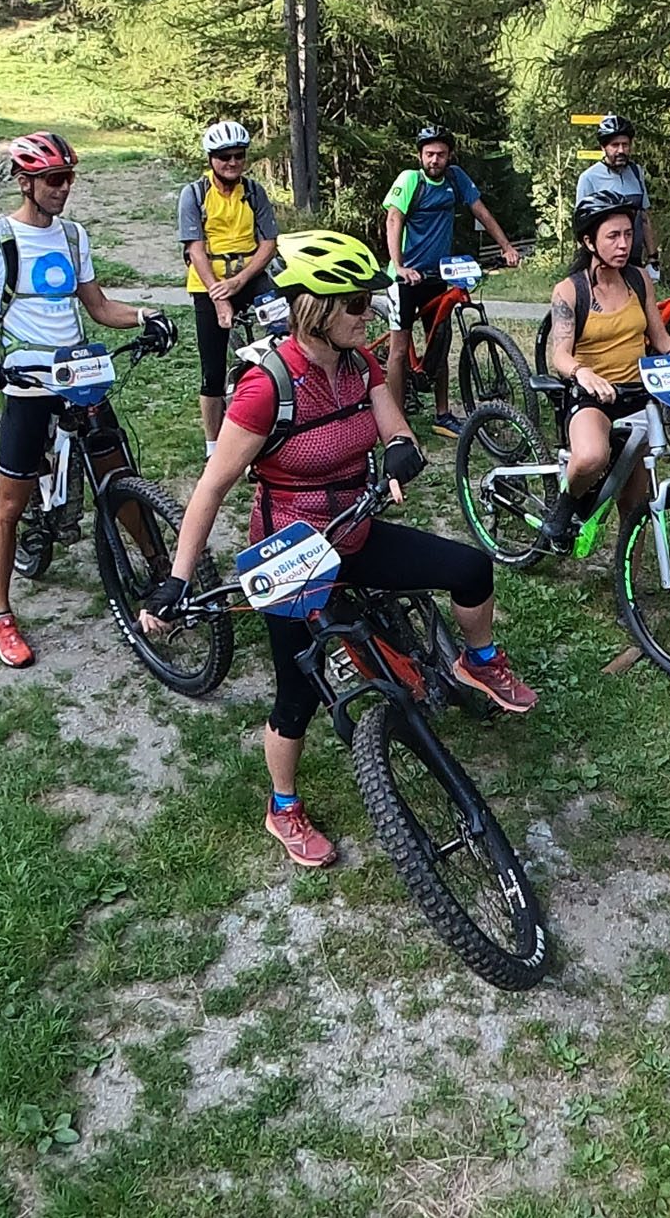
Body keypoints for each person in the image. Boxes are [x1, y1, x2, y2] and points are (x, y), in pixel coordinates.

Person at [137, 231, 538, 868]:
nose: (368, 312)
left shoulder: (360, 364)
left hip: (354, 528)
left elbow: (393, 423)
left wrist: (401, 447)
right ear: (315, 310)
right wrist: (179, 578)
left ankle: (478, 660)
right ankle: (283, 806)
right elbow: (211, 488)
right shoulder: (267, 389)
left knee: (470, 568)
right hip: (291, 553)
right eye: (354, 304)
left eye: (368, 300)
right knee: (296, 697)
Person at [0, 132, 178, 670]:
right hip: (27, 384)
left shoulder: (74, 237)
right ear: (24, 182)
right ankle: (1, 614)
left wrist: (144, 316)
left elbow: (98, 307)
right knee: (8, 506)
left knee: (119, 475)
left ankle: (159, 568)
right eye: (54, 179)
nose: (63, 188)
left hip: (80, 376)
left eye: (69, 177)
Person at [538, 191, 670, 547]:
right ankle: (565, 506)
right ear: (589, 241)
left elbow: (662, 340)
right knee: (592, 457)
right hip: (593, 397)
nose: (623, 244)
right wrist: (583, 373)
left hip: (639, 396)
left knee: (634, 506)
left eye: (629, 234)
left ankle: (629, 576)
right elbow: (560, 355)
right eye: (613, 236)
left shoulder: (638, 279)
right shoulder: (569, 290)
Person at [380, 124, 523, 436]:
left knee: (440, 344)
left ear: (449, 156)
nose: (435, 160)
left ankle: (442, 415)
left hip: (436, 276)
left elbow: (481, 212)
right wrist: (399, 267)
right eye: (429, 154)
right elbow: (393, 220)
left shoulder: (455, 178)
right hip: (405, 278)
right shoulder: (410, 180)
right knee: (399, 350)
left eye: (441, 154)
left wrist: (507, 247)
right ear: (420, 155)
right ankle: (396, 424)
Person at [179, 120, 281, 456]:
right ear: (211, 159)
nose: (232, 162)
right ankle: (214, 446)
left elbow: (268, 244)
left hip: (249, 276)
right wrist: (220, 296)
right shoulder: (194, 195)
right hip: (208, 281)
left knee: (284, 332)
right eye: (224, 157)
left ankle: (282, 407)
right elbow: (196, 251)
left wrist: (240, 280)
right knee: (212, 370)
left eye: (239, 155)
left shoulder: (253, 192)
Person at [573, 113, 656, 270]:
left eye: (625, 145)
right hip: (604, 265)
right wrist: (585, 268)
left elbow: (644, 217)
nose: (621, 150)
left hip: (634, 261)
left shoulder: (636, 172)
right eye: (615, 145)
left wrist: (653, 257)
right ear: (603, 147)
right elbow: (581, 227)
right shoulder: (589, 178)